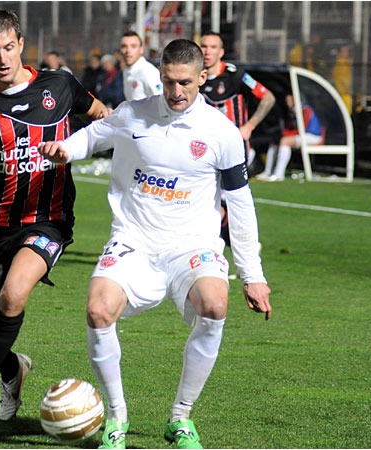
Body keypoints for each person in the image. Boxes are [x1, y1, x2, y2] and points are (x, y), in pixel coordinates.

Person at [39, 39, 271, 450]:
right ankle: (116, 417)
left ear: (203, 77)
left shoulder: (222, 132)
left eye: (185, 82)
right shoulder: (134, 114)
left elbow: (240, 204)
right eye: (168, 81)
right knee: (97, 310)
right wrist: (64, 149)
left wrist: (253, 275)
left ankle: (180, 418)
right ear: (160, 75)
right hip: (135, 240)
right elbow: (90, 137)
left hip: (193, 245)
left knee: (215, 305)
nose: (176, 91)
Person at [0, 8, 108, 433]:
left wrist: (81, 146)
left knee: (13, 295)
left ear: (21, 43)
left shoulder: (60, 84)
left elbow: (104, 120)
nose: (2, 57)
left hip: (48, 221)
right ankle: (13, 368)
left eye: (9, 47)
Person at [199, 31, 275, 255]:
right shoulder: (195, 76)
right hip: (203, 150)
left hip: (233, 151)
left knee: (227, 204)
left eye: (213, 47)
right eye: (204, 46)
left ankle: (241, 250)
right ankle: (235, 250)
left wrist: (249, 126)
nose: (207, 51)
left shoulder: (235, 75)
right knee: (205, 203)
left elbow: (267, 97)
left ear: (221, 52)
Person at [258, 93, 323, 181]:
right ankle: (267, 171)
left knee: (285, 141)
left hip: (313, 136)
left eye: (289, 100)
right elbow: (290, 128)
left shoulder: (305, 110)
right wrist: (285, 133)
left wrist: (287, 134)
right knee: (275, 141)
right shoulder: (291, 111)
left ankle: (279, 174)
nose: (287, 103)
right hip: (302, 136)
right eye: (287, 101)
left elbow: (303, 128)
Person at [120, 31, 162, 101]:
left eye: (133, 46)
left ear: (141, 49)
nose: (128, 50)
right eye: (124, 46)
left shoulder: (148, 72)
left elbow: (161, 101)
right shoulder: (126, 71)